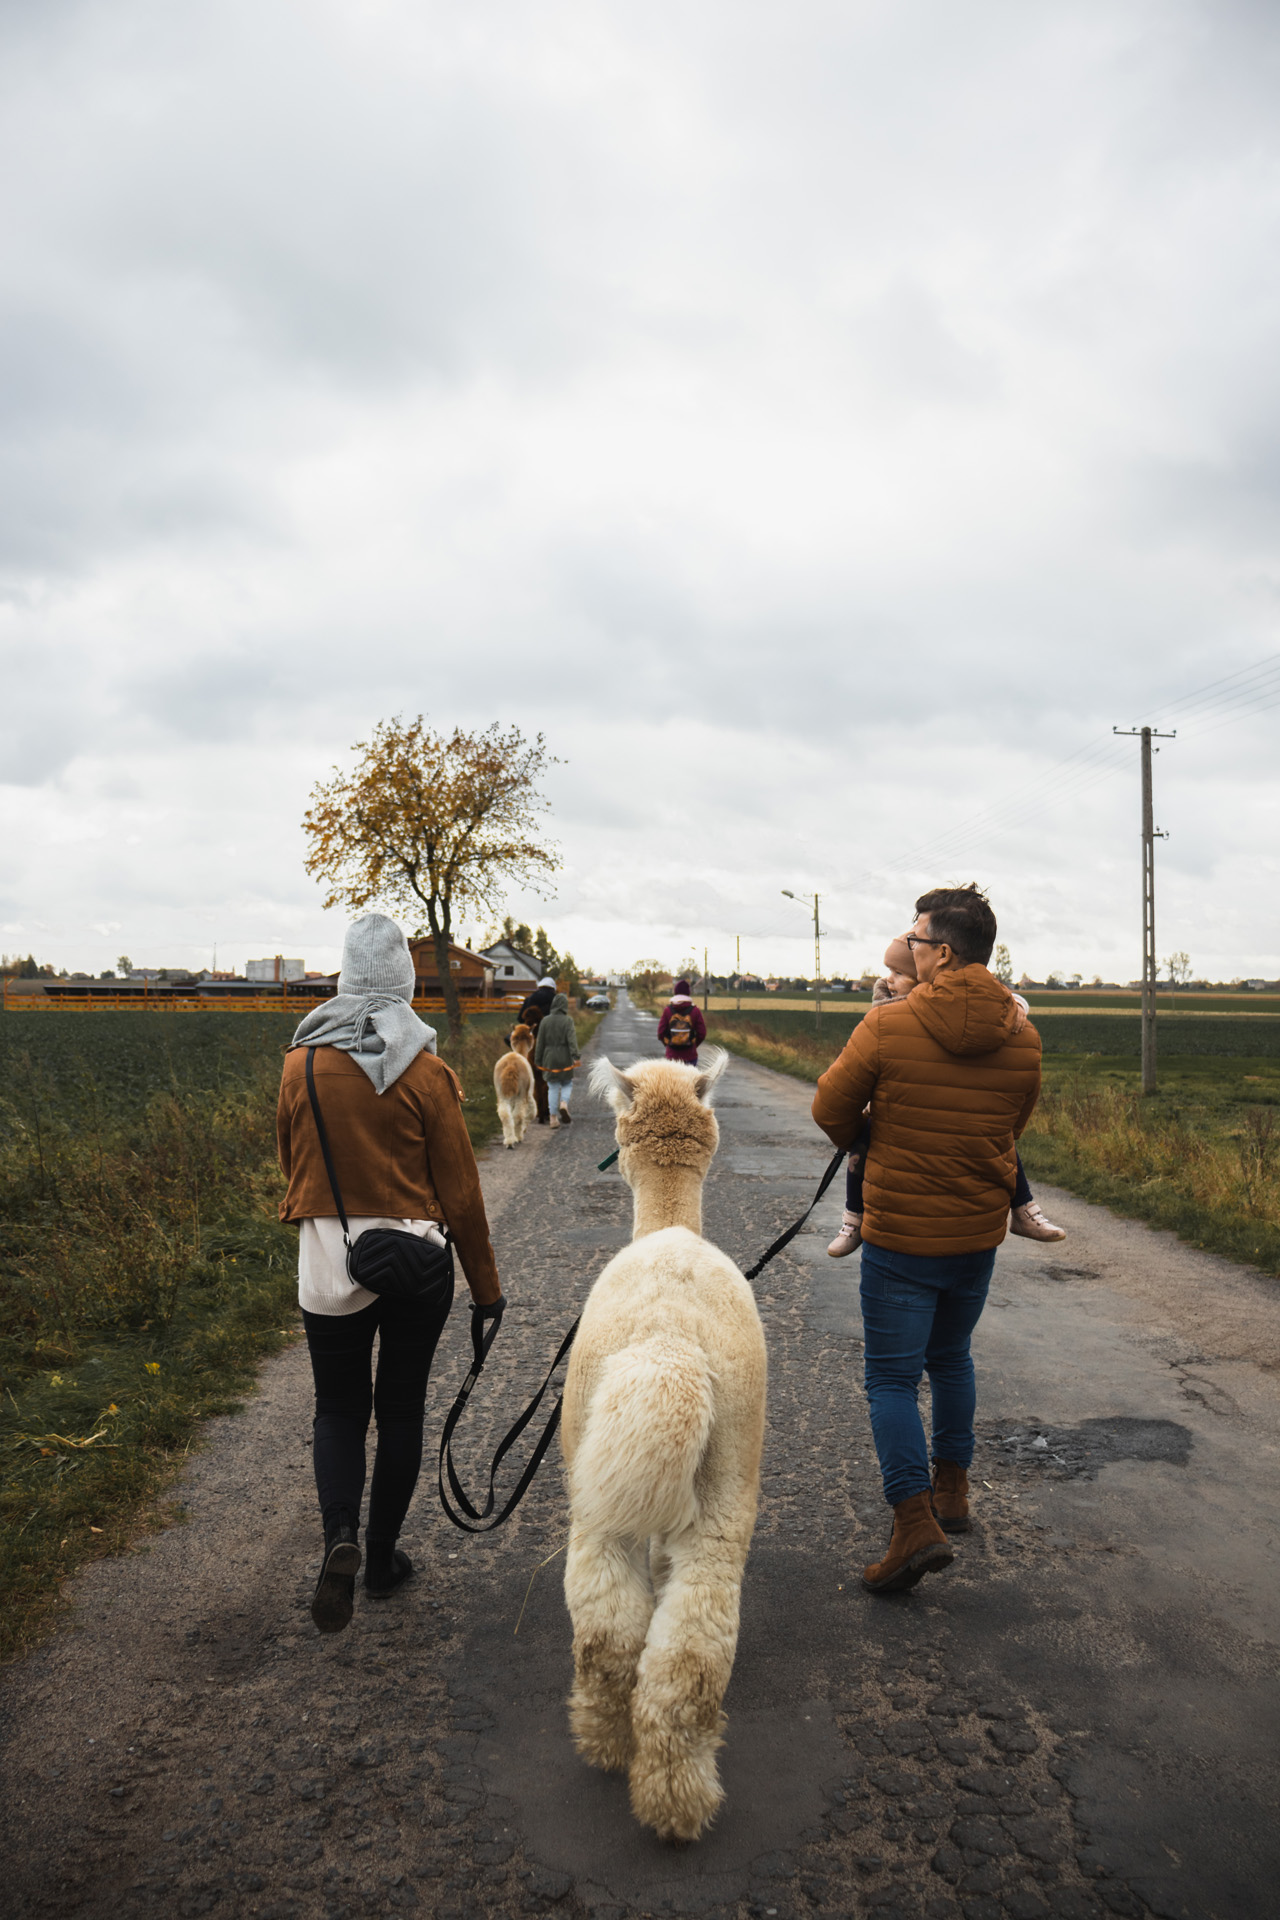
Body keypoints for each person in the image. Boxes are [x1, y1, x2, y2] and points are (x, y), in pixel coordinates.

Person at [277, 913, 504, 1633]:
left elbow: (292, 1165)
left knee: (339, 1408)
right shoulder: (425, 1070)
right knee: (401, 1409)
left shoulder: (299, 1064)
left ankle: (337, 1534)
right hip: (417, 1263)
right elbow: (462, 1193)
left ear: (344, 975)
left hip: (327, 1258)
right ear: (405, 980)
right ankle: (380, 1559)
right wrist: (487, 1290)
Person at [812, 884, 1041, 1595]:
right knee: (952, 1359)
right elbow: (1011, 1130)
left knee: (889, 1378)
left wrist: (869, 1141)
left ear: (941, 952)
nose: (906, 945)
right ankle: (954, 1492)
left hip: (902, 1237)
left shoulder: (887, 1026)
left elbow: (829, 1107)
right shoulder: (1025, 1035)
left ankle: (914, 1524)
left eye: (913, 937)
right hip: (975, 1238)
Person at [827, 938, 1065, 1256]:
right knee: (860, 1150)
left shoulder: (957, 1006)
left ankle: (1023, 1208)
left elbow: (994, 999)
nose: (887, 980)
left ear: (926, 976)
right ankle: (853, 1219)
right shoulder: (886, 1007)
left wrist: (1018, 1005)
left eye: (898, 972)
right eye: (889, 972)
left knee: (1002, 1140)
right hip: (892, 1108)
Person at [534, 989, 580, 1127]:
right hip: (564, 1057)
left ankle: (553, 1118)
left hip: (549, 1058)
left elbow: (540, 1042)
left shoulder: (545, 1021)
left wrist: (537, 1060)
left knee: (552, 1087)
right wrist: (576, 1056)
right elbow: (572, 1040)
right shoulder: (568, 1021)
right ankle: (564, 1103)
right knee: (567, 1083)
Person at [517, 975, 558, 1125]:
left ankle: (537, 1110)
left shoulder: (530, 998)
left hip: (532, 1042)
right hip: (550, 1042)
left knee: (535, 1078)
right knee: (548, 1079)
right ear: (553, 987)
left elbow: (519, 1018)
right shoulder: (556, 999)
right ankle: (547, 1109)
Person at [657, 978, 707, 1063]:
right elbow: (702, 1033)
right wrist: (693, 1045)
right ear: (688, 993)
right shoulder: (695, 1011)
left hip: (672, 1056)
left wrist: (669, 1044)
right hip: (690, 1056)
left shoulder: (668, 1010)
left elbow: (660, 1033)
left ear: (675, 992)